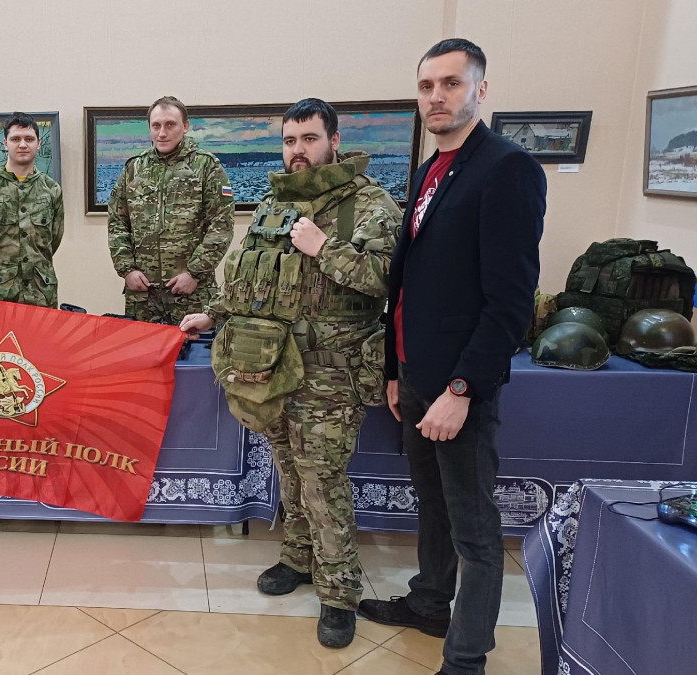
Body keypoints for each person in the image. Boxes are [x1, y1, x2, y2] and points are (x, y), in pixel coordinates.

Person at [180, 99, 401, 648]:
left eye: (308, 138)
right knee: (289, 469)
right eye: (289, 140)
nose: (297, 150)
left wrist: (325, 248)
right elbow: (251, 280)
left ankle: (339, 594)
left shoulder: (370, 203)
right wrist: (214, 313)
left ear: (334, 140)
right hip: (273, 367)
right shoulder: (273, 204)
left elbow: (388, 280)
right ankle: (299, 557)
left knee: (323, 481)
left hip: (333, 372)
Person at [357, 39, 546, 675]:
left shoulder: (508, 168)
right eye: (426, 86)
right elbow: (408, 285)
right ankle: (429, 603)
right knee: (431, 505)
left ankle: (466, 658)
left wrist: (462, 389)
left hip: (458, 387)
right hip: (415, 376)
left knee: (475, 529)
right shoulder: (431, 168)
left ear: (480, 90)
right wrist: (395, 371)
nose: (436, 96)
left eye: (451, 83)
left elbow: (511, 303)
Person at [107, 96, 234, 323]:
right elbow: (118, 222)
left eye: (170, 125)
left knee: (192, 346)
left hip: (191, 292)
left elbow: (221, 225)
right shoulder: (134, 168)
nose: (162, 133)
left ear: (185, 126)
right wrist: (127, 270)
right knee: (143, 346)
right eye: (156, 125)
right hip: (143, 294)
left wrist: (195, 272)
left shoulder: (206, 166)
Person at [0, 112, 64, 308]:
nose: (23, 144)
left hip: (40, 292)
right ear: (5, 143)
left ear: (38, 143)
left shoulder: (51, 189)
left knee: (41, 331)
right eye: (15, 139)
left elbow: (54, 238)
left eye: (29, 139)